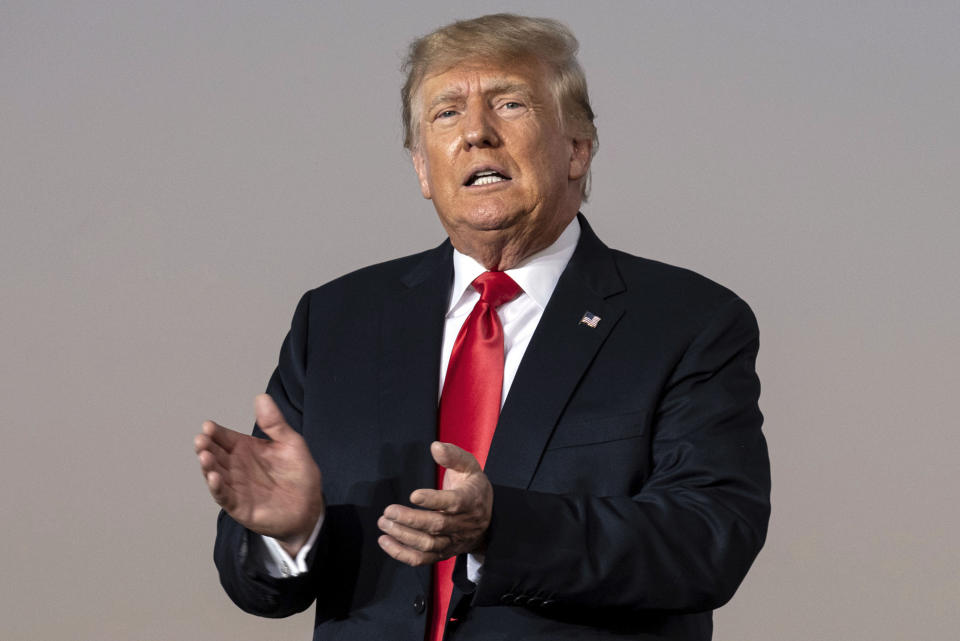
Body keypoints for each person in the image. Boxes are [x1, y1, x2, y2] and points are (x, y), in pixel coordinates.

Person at [194, 13, 770, 641]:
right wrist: (289, 533)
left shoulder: (687, 321)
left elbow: (709, 539)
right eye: (446, 114)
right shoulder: (334, 321)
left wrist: (501, 530)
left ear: (578, 148)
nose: (476, 133)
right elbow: (255, 586)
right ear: (422, 168)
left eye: (510, 104)